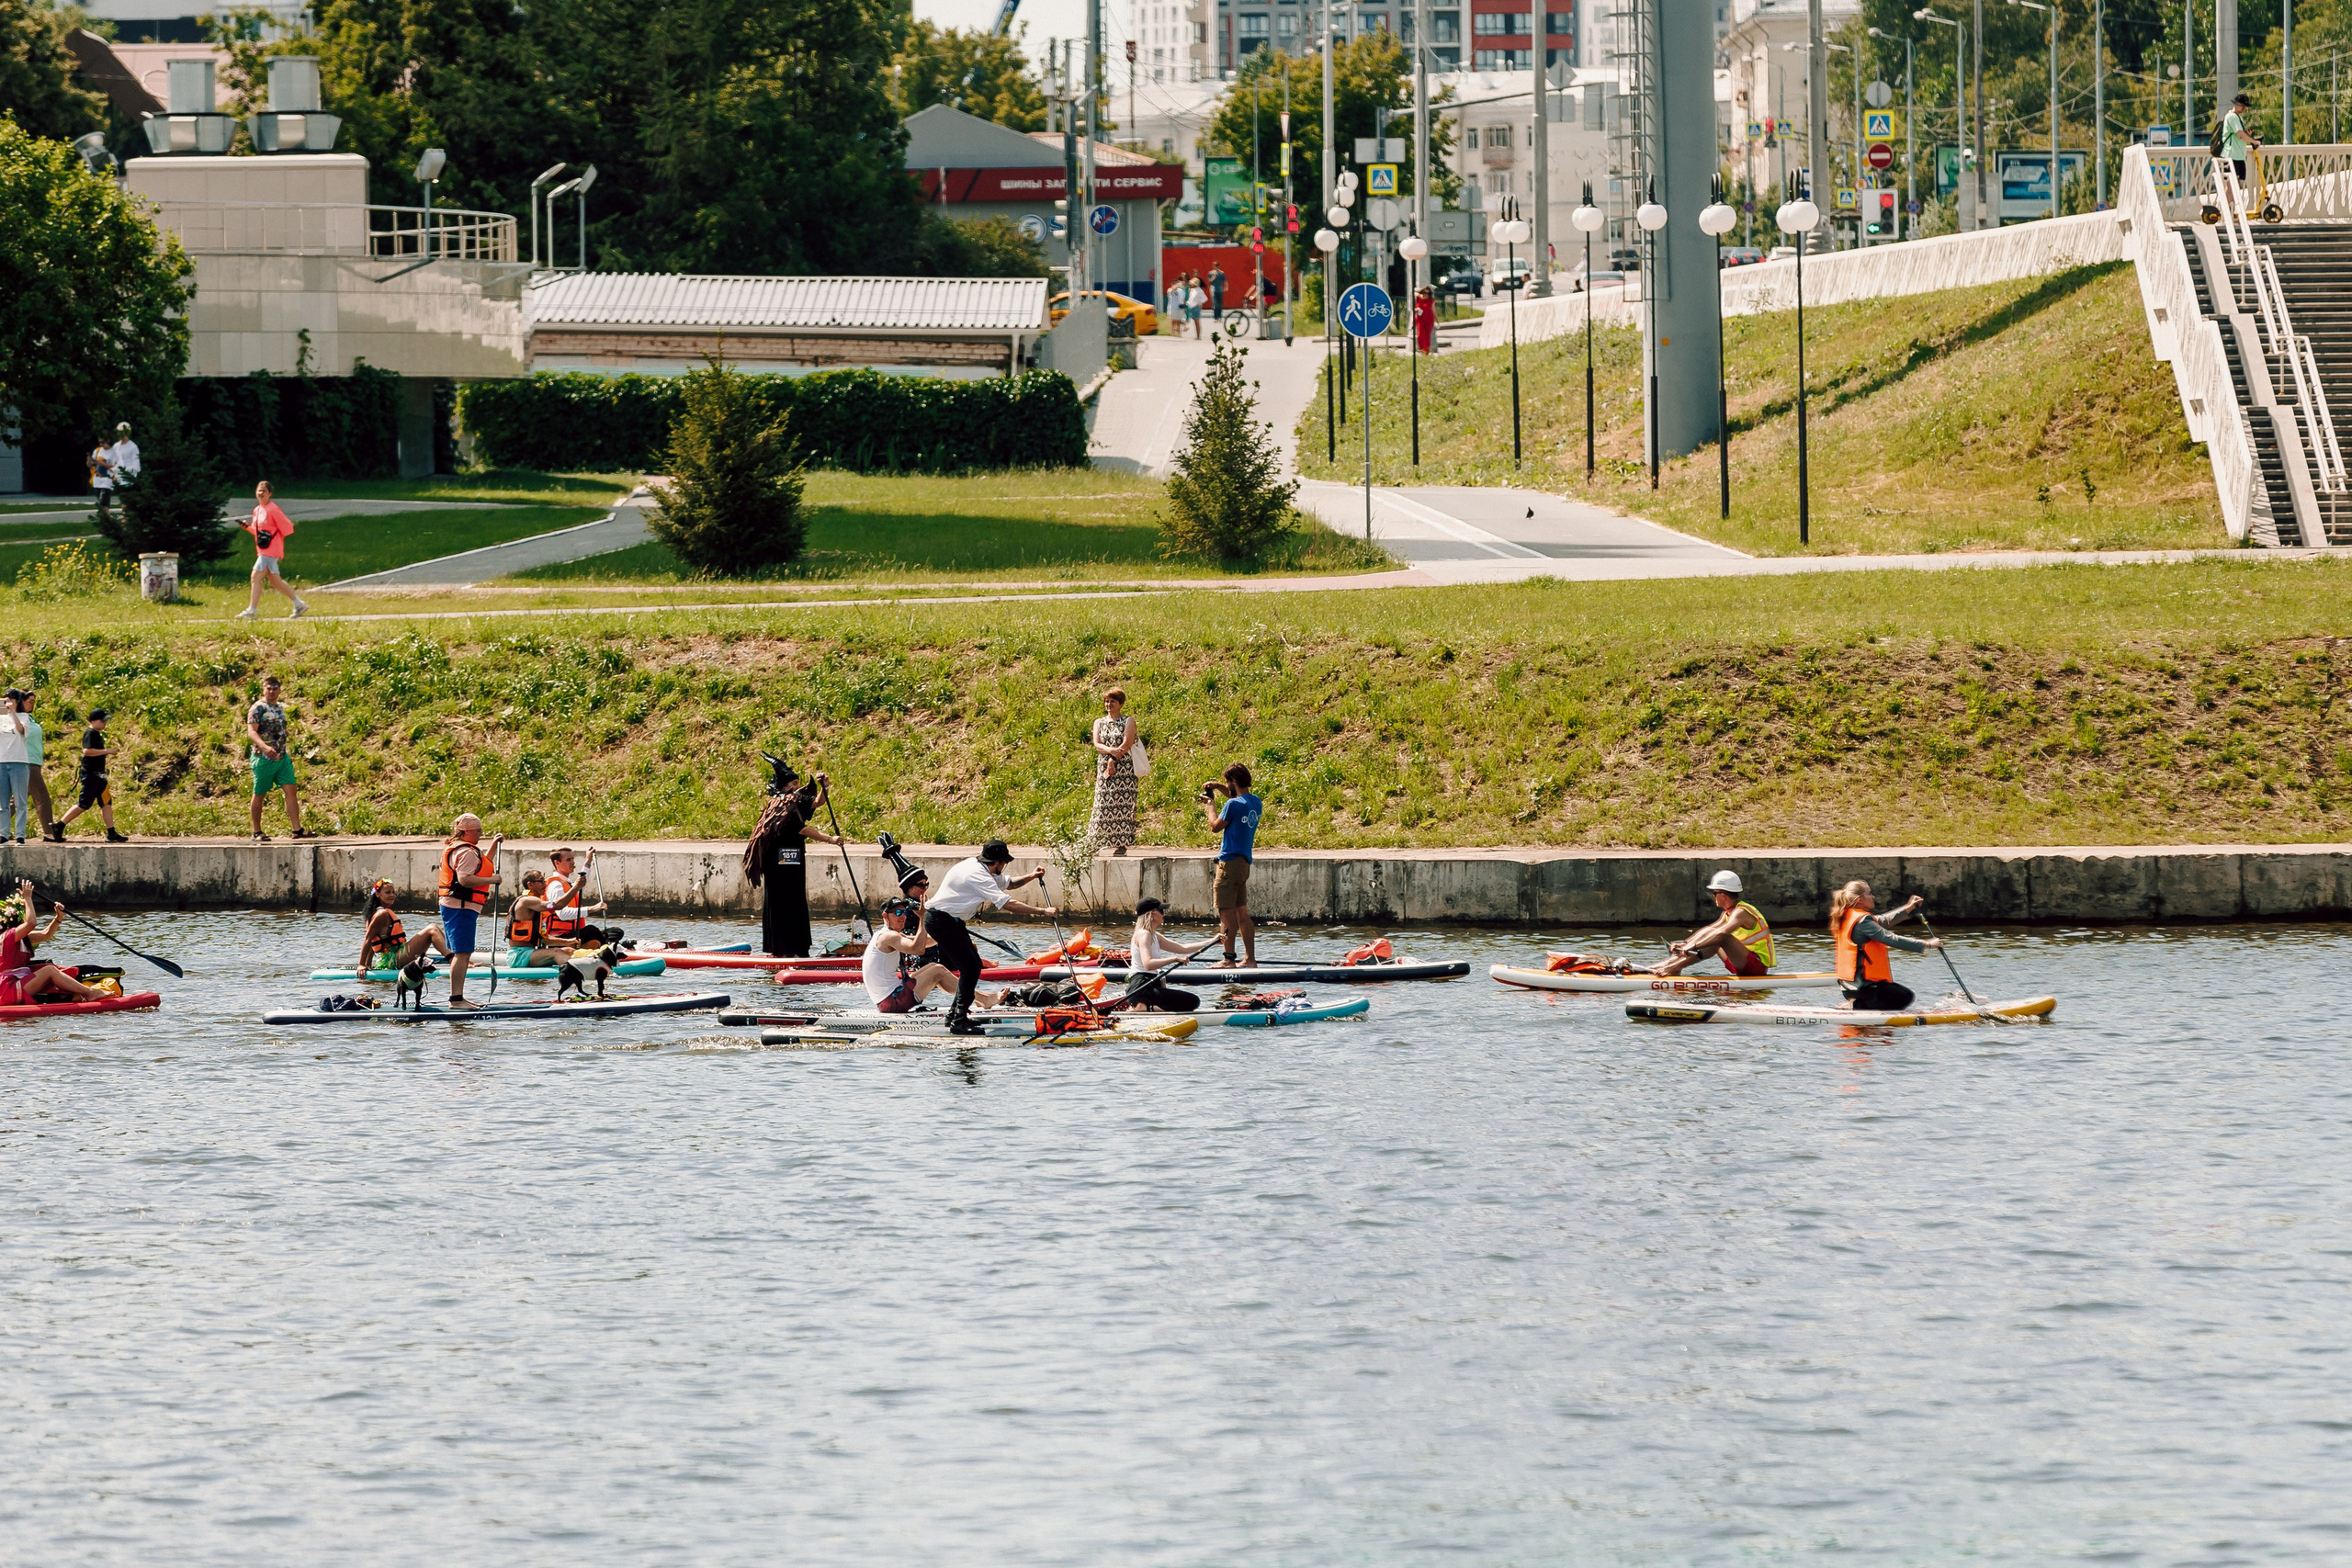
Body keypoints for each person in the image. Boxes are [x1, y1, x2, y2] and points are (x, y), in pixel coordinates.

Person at [924, 839, 1057, 1034]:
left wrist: (1032, 876)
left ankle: (955, 1016)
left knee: (973, 966)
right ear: (997, 863)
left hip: (951, 921)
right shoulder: (978, 876)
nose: (1003, 867)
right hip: (940, 921)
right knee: (969, 968)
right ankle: (958, 1021)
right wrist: (1043, 912)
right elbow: (1008, 904)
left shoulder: (978, 866)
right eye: (1003, 863)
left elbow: (1009, 884)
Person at [743, 761, 848, 958]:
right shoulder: (781, 805)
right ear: (784, 787)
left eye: (797, 782)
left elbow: (817, 802)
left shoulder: (796, 801)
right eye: (793, 783)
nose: (797, 786)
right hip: (778, 864)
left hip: (794, 861)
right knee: (781, 903)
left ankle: (799, 949)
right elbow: (801, 829)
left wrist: (824, 788)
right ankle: (780, 950)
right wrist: (830, 839)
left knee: (796, 901)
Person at [863, 894, 1003, 1015]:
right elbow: (918, 949)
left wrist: (946, 927)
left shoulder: (887, 935)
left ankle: (980, 999)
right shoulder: (888, 937)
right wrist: (923, 918)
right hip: (893, 1002)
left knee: (933, 967)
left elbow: (927, 942)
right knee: (938, 971)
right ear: (885, 916)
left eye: (904, 912)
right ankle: (984, 999)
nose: (903, 917)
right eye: (897, 913)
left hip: (890, 999)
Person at [1830, 880, 1942, 1013]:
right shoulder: (1862, 922)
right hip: (1862, 987)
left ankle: (1859, 1004)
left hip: (1851, 987)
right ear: (1860, 900)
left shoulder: (1848, 916)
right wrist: (1927, 944)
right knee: (1903, 997)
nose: (1873, 897)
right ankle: (1857, 1005)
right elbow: (1890, 939)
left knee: (1903, 993)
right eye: (1869, 894)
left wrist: (1908, 908)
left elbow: (1883, 921)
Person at [1646, 870, 1776, 978]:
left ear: (1723, 896)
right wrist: (1686, 944)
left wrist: (1692, 946)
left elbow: (1721, 934)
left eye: (1715, 893)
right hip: (1742, 963)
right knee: (1712, 934)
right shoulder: (1728, 913)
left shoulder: (1741, 912)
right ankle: (1663, 966)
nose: (1713, 896)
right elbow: (1710, 930)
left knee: (1720, 937)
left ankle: (1672, 968)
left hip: (1757, 966)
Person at [436, 813, 503, 1007]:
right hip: (460, 906)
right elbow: (465, 879)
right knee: (462, 953)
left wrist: (494, 845)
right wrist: (493, 880)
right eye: (477, 831)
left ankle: (459, 997)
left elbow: (482, 865)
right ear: (465, 832)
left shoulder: (468, 850)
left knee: (462, 952)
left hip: (460, 906)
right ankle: (456, 999)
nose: (480, 834)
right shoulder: (465, 852)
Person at [1201, 762, 1261, 967]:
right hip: (1244, 864)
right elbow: (1236, 797)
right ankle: (1250, 959)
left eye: (1228, 783)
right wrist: (1219, 785)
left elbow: (1215, 827)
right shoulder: (1255, 802)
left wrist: (1210, 804)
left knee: (1226, 914)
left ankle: (1228, 960)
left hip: (1228, 864)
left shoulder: (1232, 806)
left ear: (1234, 782)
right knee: (1242, 913)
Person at [0, 882, 100, 1005]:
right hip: (7, 989)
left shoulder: (21, 937)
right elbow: (31, 923)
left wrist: (59, 917)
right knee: (49, 971)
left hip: (16, 985)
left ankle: (82, 992)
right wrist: (27, 899)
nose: (24, 918)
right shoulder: (7, 936)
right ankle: (91, 993)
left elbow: (46, 934)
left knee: (50, 969)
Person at [246, 675, 312, 840]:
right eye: (268, 688)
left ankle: (297, 829)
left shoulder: (280, 707)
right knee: (259, 793)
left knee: (291, 789)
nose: (272, 691)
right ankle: (257, 831)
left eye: (275, 688)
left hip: (282, 758)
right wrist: (264, 747)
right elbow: (251, 731)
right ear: (263, 689)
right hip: (264, 758)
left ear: (279, 690)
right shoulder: (258, 708)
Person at [236, 480, 309, 621]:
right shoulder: (257, 510)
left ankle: (252, 610)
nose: (260, 493)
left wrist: (278, 547)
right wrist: (247, 527)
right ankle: (299, 604)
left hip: (271, 550)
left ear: (270, 494)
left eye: (264, 491)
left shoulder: (273, 509)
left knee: (255, 577)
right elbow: (259, 532)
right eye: (259, 490)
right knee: (275, 581)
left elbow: (288, 528)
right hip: (263, 549)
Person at [1124, 897, 1209, 1011]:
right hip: (1141, 987)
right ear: (1151, 914)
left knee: (1191, 1001)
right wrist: (1174, 959)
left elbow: (1182, 948)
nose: (1164, 914)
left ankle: (1146, 1007)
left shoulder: (1154, 935)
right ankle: (1143, 1008)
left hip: (1150, 984)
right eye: (1162, 911)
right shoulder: (1144, 935)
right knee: (1193, 1001)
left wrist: (1212, 941)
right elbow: (1148, 964)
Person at [55, 708, 127, 841]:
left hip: (100, 774)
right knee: (84, 804)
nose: (104, 724)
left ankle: (111, 832)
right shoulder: (90, 733)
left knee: (106, 802)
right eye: (102, 721)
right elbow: (87, 751)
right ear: (93, 721)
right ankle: (59, 826)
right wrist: (107, 751)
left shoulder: (96, 733)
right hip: (91, 774)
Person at [356, 877, 450, 977]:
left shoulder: (378, 912)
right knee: (432, 929)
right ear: (378, 894)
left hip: (396, 956)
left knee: (433, 928)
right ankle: (454, 959)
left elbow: (373, 941)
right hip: (395, 959)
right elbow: (368, 939)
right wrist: (361, 965)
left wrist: (368, 965)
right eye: (388, 893)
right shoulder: (381, 914)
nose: (392, 895)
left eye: (393, 892)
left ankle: (454, 957)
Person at [1089, 686, 1141, 856]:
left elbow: (1127, 743)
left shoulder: (1128, 721)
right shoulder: (1099, 722)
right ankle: (1095, 842)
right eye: (1106, 701)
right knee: (1102, 803)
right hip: (1104, 768)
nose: (1108, 704)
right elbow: (1097, 744)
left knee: (1123, 805)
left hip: (1125, 770)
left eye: (1112, 701)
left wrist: (1114, 758)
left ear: (1120, 704)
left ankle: (1121, 844)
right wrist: (1111, 753)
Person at [503, 872, 573, 968]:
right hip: (518, 956)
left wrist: (567, 941)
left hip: (530, 952)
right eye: (541, 881)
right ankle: (575, 974)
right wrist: (576, 887)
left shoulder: (535, 906)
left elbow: (544, 939)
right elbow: (558, 905)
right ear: (530, 885)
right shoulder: (526, 901)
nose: (545, 884)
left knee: (570, 951)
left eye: (544, 881)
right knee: (557, 952)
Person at [541, 847, 606, 943]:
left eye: (573, 859)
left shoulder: (567, 883)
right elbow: (562, 914)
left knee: (615, 932)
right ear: (557, 863)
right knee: (592, 930)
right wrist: (592, 909)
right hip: (558, 937)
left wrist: (588, 861)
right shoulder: (555, 885)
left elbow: (581, 883)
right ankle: (609, 950)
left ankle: (610, 947)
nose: (573, 863)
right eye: (568, 860)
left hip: (571, 933)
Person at [18, 689, 55, 841]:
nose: (33, 704)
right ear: (20, 701)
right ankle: (50, 833)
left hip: (35, 762)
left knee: (16, 801)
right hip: (26, 762)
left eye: (34, 701)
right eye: (30, 701)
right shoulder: (14, 719)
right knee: (42, 797)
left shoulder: (30, 718)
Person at [0, 691, 28, 845]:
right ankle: (3, 834)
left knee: (20, 802)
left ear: (16, 700)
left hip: (19, 762)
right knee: (2, 803)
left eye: (10, 699)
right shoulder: (1, 718)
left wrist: (13, 713)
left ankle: (20, 835)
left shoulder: (24, 717)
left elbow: (21, 730)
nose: (7, 702)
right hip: (2, 762)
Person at [2220, 91, 2260, 194]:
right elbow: (2240, 134)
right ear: (2236, 104)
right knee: (2231, 185)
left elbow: (2240, 134)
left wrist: (2247, 134)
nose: (2243, 108)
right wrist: (2254, 141)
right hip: (2231, 155)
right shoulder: (2232, 116)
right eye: (2241, 106)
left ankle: (2233, 207)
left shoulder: (2238, 118)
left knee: (2237, 184)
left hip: (2239, 155)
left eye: (2244, 106)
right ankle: (2229, 208)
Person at [1413, 285, 1436, 355]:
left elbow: (1434, 310)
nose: (1426, 295)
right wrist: (1417, 309)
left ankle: (1426, 351)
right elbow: (1413, 308)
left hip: (1429, 318)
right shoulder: (1417, 298)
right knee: (1420, 334)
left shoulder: (1431, 300)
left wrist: (1436, 320)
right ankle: (1423, 349)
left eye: (1428, 293)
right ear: (1422, 292)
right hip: (1420, 318)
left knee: (1427, 335)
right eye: (1424, 293)